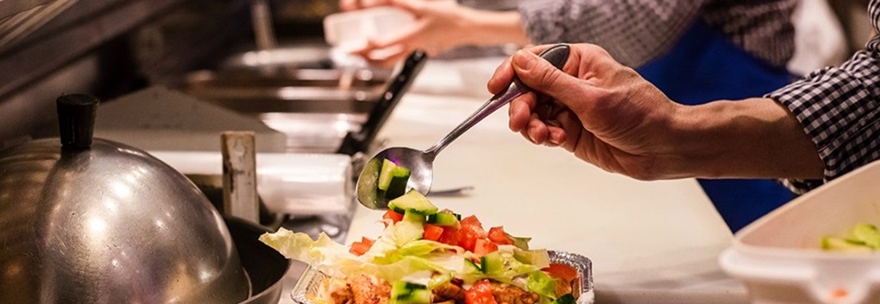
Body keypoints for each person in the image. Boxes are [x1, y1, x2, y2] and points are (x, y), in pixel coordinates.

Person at [339, 0, 808, 231]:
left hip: (755, 108)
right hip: (667, 114)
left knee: (767, 260)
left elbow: (642, 17)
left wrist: (466, 25)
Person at [485, 1, 879, 197]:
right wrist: (673, 136)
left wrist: (678, 134)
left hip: (748, 97)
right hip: (746, 129)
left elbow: (640, 20)